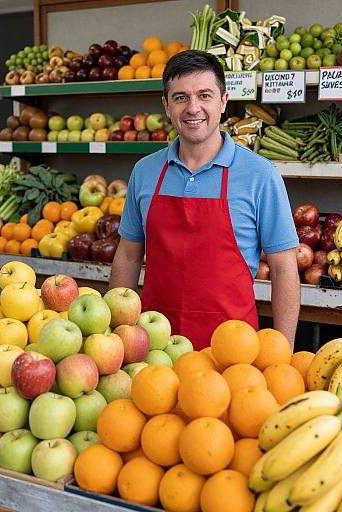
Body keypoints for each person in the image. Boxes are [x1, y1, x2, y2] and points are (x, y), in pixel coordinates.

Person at [109, 50, 300, 350]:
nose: (193, 108)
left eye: (205, 95)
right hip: (156, 347)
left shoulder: (260, 175)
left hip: (233, 352)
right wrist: (116, 339)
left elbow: (283, 269)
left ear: (223, 101)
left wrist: (284, 350)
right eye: (181, 97)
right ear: (167, 106)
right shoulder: (145, 172)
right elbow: (129, 256)